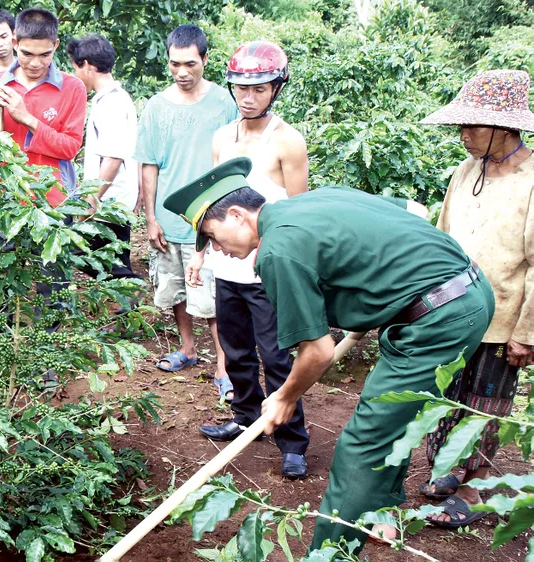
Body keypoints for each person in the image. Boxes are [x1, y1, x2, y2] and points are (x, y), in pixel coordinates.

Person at [164, 156, 495, 553]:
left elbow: (318, 352)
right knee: (393, 418)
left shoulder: (277, 250)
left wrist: (285, 396)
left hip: (439, 319)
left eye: (213, 237)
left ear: (237, 215)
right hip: (469, 290)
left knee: (363, 443)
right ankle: (381, 511)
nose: (217, 249)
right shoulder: (316, 201)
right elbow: (416, 212)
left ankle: (329, 554)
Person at [417, 69, 534, 528]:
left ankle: (474, 486)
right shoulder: (465, 171)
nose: (463, 135)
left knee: (486, 404)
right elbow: (442, 238)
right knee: (446, 395)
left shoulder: (531, 179)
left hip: (502, 317)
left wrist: (526, 332)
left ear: (504, 128)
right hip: (453, 312)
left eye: (472, 126)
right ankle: (446, 470)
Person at [191, 41, 310, 479]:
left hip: (269, 270)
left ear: (276, 88)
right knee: (236, 350)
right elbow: (212, 205)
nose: (248, 96)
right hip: (228, 265)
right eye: (241, 87)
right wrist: (201, 254)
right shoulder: (222, 138)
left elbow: (299, 211)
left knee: (276, 357)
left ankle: (292, 440)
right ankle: (245, 417)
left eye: (259, 88)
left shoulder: (287, 141)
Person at [134, 24, 237, 379]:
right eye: (175, 63)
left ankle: (224, 368)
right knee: (175, 288)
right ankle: (187, 348)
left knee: (211, 297)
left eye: (190, 63)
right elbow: (149, 164)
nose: (182, 72)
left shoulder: (224, 103)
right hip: (168, 218)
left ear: (205, 59)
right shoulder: (156, 107)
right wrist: (151, 218)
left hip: (210, 219)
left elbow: (233, 163)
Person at [0, 7, 87, 209]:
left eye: (44, 55)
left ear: (55, 45)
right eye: (27, 54)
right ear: (15, 43)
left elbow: (70, 148)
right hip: (7, 199)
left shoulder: (73, 88)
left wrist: (26, 118)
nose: (35, 63)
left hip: (55, 202)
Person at [66, 33, 140, 280]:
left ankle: (134, 289)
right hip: (113, 199)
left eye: (76, 68)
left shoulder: (111, 104)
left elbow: (112, 158)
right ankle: (129, 293)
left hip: (110, 201)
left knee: (92, 257)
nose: (76, 74)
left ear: (87, 65)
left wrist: (91, 200)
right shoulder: (113, 98)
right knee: (109, 260)